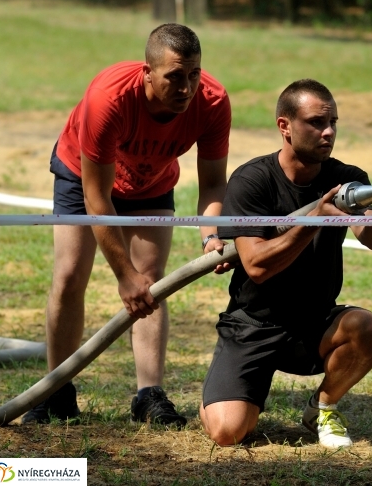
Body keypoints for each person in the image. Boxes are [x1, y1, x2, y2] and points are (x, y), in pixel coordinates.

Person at [22, 23, 232, 427]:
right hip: (83, 176)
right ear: (147, 72)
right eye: (174, 76)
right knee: (69, 274)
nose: (186, 88)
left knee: (152, 281)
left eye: (194, 75)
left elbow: (212, 182)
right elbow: (97, 199)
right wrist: (123, 274)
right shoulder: (108, 99)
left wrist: (211, 236)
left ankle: (148, 395)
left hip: (151, 181)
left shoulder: (213, 102)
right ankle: (56, 390)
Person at [200, 79, 372, 448]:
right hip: (253, 324)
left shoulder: (346, 180)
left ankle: (322, 407)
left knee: (363, 326)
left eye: (333, 122)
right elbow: (256, 267)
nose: (328, 132)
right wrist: (313, 220)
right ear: (285, 126)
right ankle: (236, 392)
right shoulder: (253, 181)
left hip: (314, 324)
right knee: (227, 433)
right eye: (316, 122)